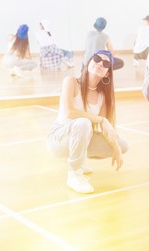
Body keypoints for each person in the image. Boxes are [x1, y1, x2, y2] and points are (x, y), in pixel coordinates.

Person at [46, 50, 129, 194]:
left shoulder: (103, 96)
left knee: (123, 145)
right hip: (58, 139)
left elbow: (104, 129)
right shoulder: (71, 81)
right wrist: (100, 120)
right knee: (83, 122)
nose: (100, 63)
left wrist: (116, 148)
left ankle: (78, 158)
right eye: (96, 59)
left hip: (81, 135)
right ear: (88, 62)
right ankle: (74, 173)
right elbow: (69, 112)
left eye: (106, 63)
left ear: (107, 74)